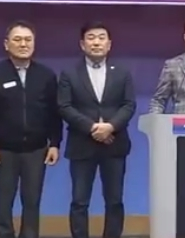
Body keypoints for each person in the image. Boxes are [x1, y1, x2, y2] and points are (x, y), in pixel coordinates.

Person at [0, 20, 62, 238]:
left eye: (28, 40)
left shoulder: (46, 75)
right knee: (3, 203)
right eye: (17, 39)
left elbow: (55, 113)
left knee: (32, 202)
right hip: (3, 150)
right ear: (6, 44)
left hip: (37, 150)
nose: (23, 44)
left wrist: (55, 143)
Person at [58, 21, 136, 238]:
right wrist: (93, 128)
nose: (96, 42)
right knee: (79, 201)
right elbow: (64, 106)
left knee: (114, 200)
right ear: (82, 44)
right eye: (91, 38)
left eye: (101, 38)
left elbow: (129, 105)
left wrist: (110, 126)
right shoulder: (69, 73)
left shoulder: (122, 72)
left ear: (109, 44)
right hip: (82, 144)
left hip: (115, 144)